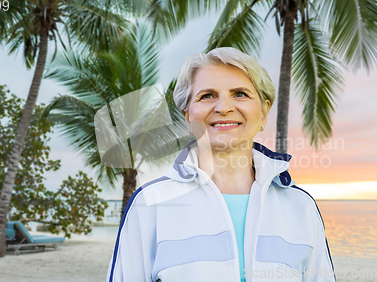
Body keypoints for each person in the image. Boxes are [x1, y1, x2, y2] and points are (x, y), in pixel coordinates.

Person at [107, 47, 335, 282]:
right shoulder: (149, 204)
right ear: (187, 115)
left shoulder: (301, 206)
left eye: (240, 94)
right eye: (207, 96)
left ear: (264, 112)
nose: (223, 107)